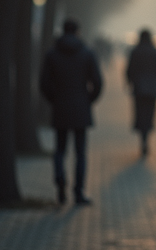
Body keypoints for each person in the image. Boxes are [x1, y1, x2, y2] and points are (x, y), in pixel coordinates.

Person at [39, 18, 103, 205]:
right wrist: (88, 100)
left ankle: (60, 183)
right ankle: (78, 192)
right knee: (80, 153)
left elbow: (43, 84)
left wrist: (54, 99)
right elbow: (98, 83)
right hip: (81, 108)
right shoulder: (87, 53)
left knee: (59, 149)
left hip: (60, 107)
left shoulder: (52, 54)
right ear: (78, 32)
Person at [125, 28, 156, 157]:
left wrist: (130, 83)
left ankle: (142, 139)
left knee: (140, 114)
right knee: (149, 114)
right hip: (152, 90)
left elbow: (129, 70)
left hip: (138, 89)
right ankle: (147, 137)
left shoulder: (135, 51)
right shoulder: (155, 52)